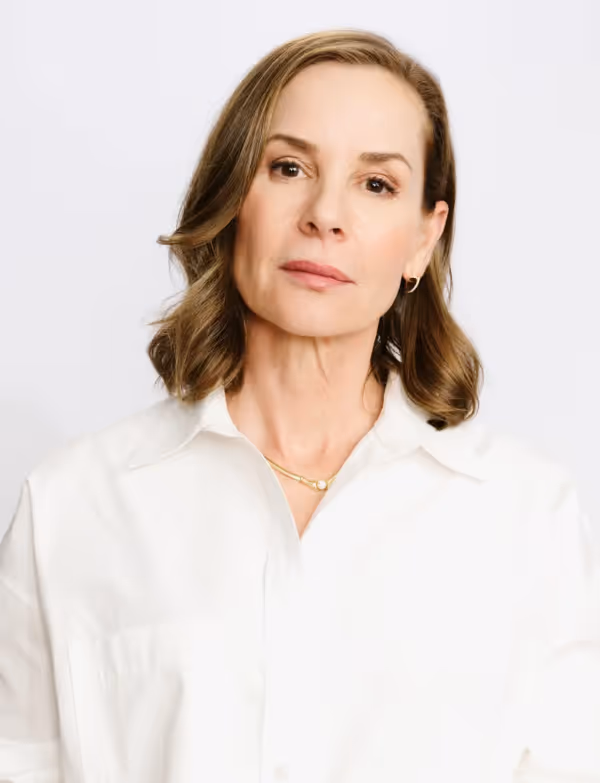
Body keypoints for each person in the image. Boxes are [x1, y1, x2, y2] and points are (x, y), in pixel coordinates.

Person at [1, 28, 599, 783]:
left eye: (376, 184)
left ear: (424, 238)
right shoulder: (73, 506)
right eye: (288, 168)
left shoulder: (526, 514)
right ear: (232, 199)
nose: (325, 214)